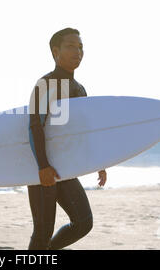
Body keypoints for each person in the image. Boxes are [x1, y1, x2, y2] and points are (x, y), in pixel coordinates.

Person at [27, 27, 107, 250]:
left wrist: (99, 163)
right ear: (55, 51)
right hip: (43, 167)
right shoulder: (46, 84)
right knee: (43, 231)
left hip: (65, 167)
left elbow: (81, 132)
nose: (78, 51)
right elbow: (35, 126)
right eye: (71, 46)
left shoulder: (80, 89)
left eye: (81, 47)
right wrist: (43, 165)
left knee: (83, 222)